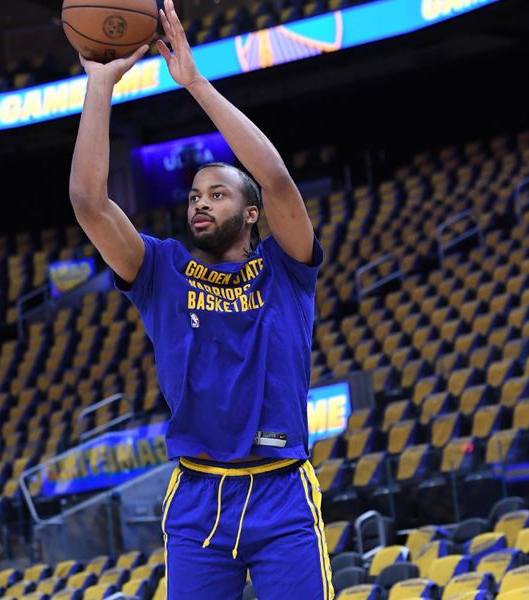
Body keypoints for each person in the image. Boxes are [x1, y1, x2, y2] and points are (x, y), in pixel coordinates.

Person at [67, 1, 333, 598]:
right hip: (195, 500)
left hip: (282, 491)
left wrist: (194, 83)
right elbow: (88, 201)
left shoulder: (285, 267)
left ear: (252, 212)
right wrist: (99, 86)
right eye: (194, 196)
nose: (201, 203)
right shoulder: (160, 268)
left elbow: (278, 179)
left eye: (217, 193)